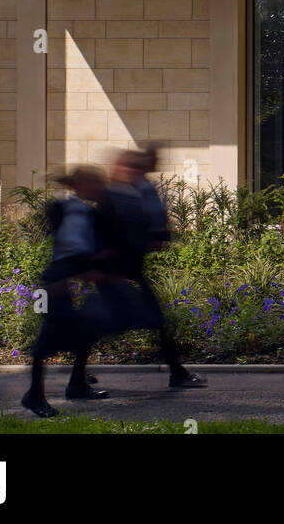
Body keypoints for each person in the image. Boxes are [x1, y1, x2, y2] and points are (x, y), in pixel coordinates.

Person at [92, 148, 207, 389]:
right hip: (116, 274)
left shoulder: (130, 195)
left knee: (143, 322)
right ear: (121, 169)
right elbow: (109, 234)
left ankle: (177, 373)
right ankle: (177, 374)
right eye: (132, 168)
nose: (138, 172)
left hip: (127, 272)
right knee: (105, 324)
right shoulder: (113, 197)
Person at [22, 166, 109, 418]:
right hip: (53, 282)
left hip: (68, 280)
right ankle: (34, 395)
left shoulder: (91, 214)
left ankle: (77, 384)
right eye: (94, 183)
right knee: (46, 341)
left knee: (86, 330)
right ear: (81, 183)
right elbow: (65, 245)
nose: (98, 189)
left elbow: (88, 248)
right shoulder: (60, 208)